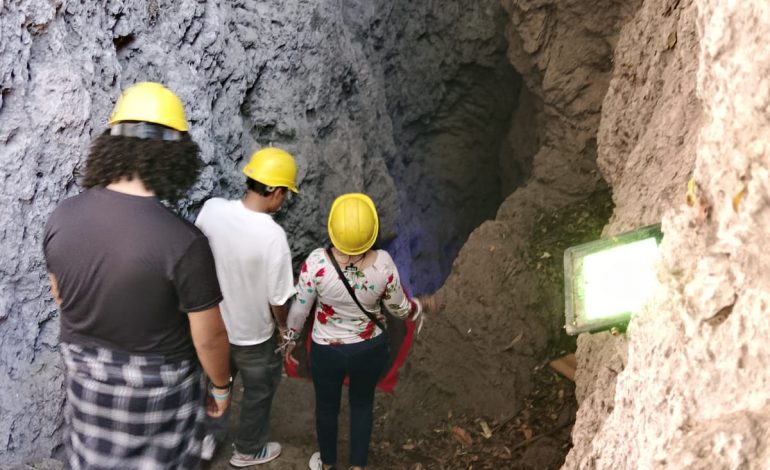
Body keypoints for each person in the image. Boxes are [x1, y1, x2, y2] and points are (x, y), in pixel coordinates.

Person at [43, 82, 232, 469]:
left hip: (87, 383)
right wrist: (221, 387)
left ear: (111, 146)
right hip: (159, 394)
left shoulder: (62, 216)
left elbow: (60, 296)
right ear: (174, 156)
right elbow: (209, 337)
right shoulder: (184, 242)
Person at [286, 193, 437, 470]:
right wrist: (419, 306)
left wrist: (291, 340)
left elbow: (299, 310)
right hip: (369, 349)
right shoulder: (383, 264)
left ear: (333, 229)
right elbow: (400, 310)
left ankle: (329, 464)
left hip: (326, 349)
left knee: (327, 407)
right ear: (372, 231)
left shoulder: (317, 262)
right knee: (362, 405)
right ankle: (357, 467)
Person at [194, 147, 299, 466]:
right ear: (277, 193)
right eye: (286, 195)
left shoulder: (211, 210)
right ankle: (248, 449)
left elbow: (195, 255)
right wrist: (282, 329)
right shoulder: (273, 237)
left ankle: (208, 439)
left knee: (216, 382)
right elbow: (278, 299)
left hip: (213, 328)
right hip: (253, 337)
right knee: (259, 389)